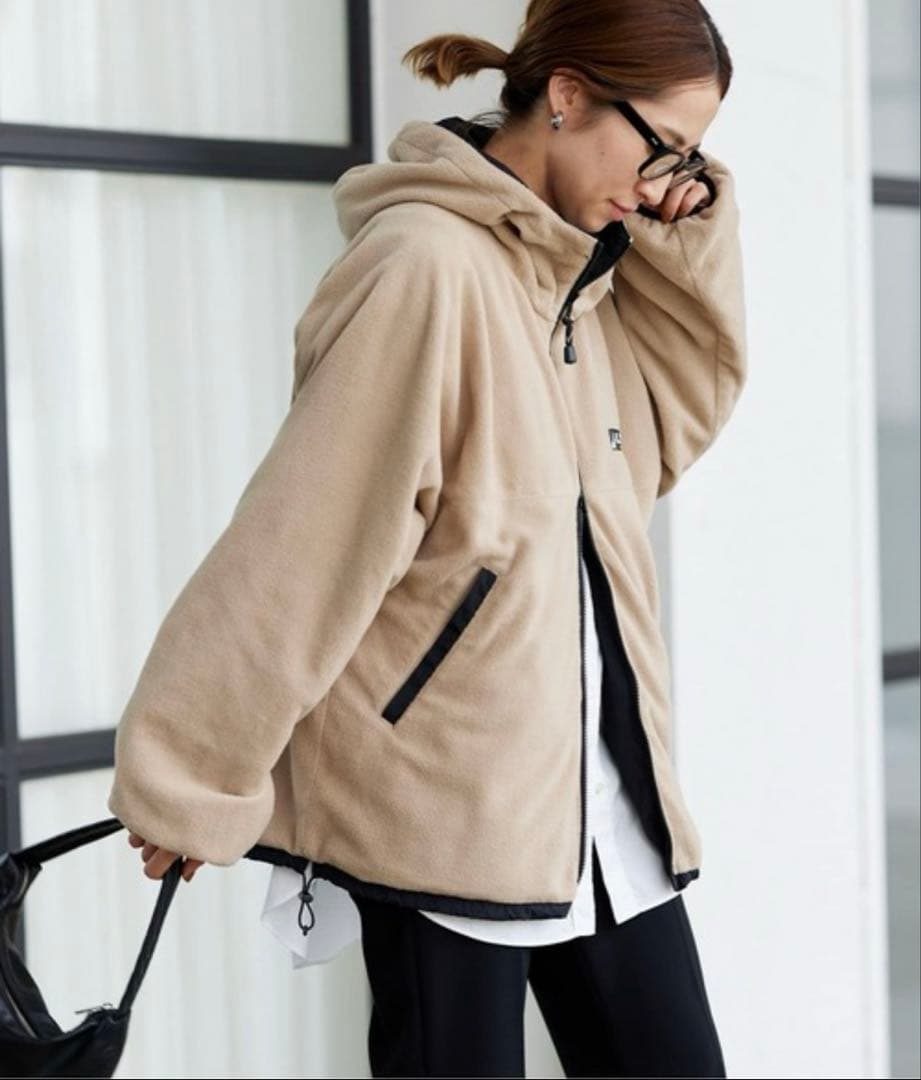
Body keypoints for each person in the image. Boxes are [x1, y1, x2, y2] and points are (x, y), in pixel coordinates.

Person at [109, 0, 748, 1075]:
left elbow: (665, 434)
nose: (657, 185)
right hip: (443, 810)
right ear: (568, 94)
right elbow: (307, 537)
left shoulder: (575, 279)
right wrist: (193, 771)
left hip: (598, 804)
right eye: (662, 148)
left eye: (686, 160)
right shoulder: (425, 267)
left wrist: (684, 243)